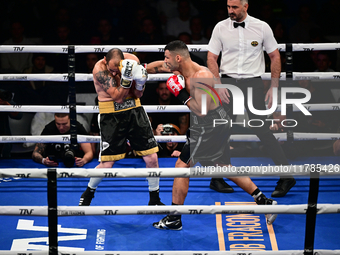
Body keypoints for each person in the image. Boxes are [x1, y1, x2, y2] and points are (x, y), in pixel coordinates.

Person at [149, 40, 277, 230]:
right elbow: (158, 66)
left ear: (178, 58)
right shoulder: (180, 69)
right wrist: (140, 69)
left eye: (168, 57)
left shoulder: (202, 75)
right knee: (224, 166)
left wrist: (179, 93)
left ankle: (174, 218)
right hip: (213, 123)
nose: (165, 62)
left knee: (181, 166)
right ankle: (264, 201)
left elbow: (201, 110)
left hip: (209, 124)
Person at [206, 0, 296, 197]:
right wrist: (219, 84)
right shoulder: (220, 27)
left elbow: (275, 56)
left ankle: (287, 176)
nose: (230, 11)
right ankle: (218, 177)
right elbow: (211, 57)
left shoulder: (261, 27)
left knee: (261, 128)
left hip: (252, 83)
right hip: (227, 82)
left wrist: (274, 86)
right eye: (228, 7)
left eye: (235, 7)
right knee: (221, 128)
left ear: (246, 6)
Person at [79, 48, 164, 207]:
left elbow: (138, 95)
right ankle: (89, 192)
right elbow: (118, 97)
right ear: (105, 60)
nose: (112, 73)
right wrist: (126, 77)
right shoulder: (100, 69)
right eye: (111, 69)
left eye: (115, 70)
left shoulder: (132, 60)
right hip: (111, 115)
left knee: (152, 158)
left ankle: (154, 199)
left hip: (134, 111)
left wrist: (140, 83)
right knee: (107, 163)